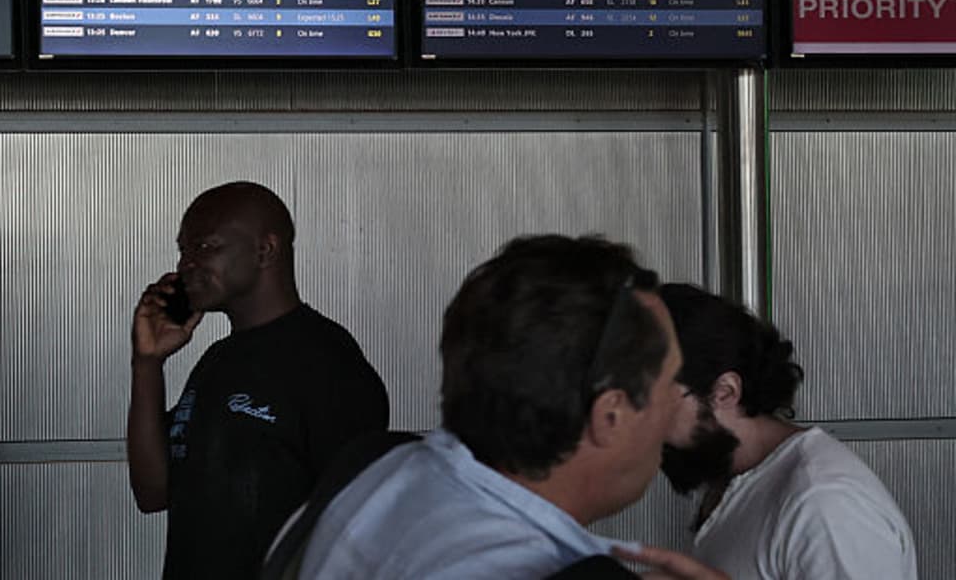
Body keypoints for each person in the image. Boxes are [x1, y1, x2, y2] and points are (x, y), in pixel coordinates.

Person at [293, 235, 721, 580]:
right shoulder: (544, 569)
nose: (674, 405)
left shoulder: (374, 468)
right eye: (669, 382)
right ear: (610, 417)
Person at [127, 180, 390, 580]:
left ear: (264, 251)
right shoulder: (217, 361)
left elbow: (356, 532)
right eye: (183, 251)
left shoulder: (328, 364)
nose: (185, 265)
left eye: (204, 247)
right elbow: (153, 492)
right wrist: (147, 364)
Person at [657, 283, 917, 579]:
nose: (639, 423)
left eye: (651, 402)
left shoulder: (824, 504)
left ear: (725, 392)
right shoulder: (732, 480)